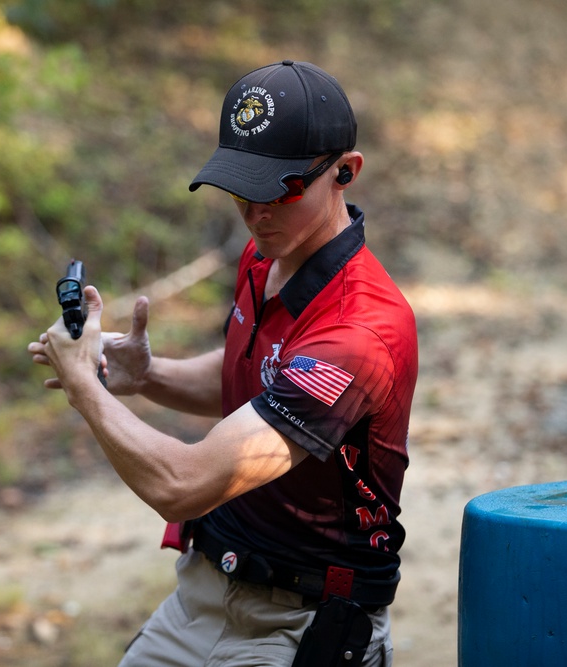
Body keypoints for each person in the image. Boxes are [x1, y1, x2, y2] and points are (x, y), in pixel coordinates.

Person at [28, 60, 418, 667]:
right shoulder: (266, 258)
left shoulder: (361, 332)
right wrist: (147, 375)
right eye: (241, 186)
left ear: (346, 171)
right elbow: (256, 382)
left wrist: (85, 387)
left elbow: (182, 485)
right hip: (202, 593)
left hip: (303, 623)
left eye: (280, 189)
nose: (256, 211)